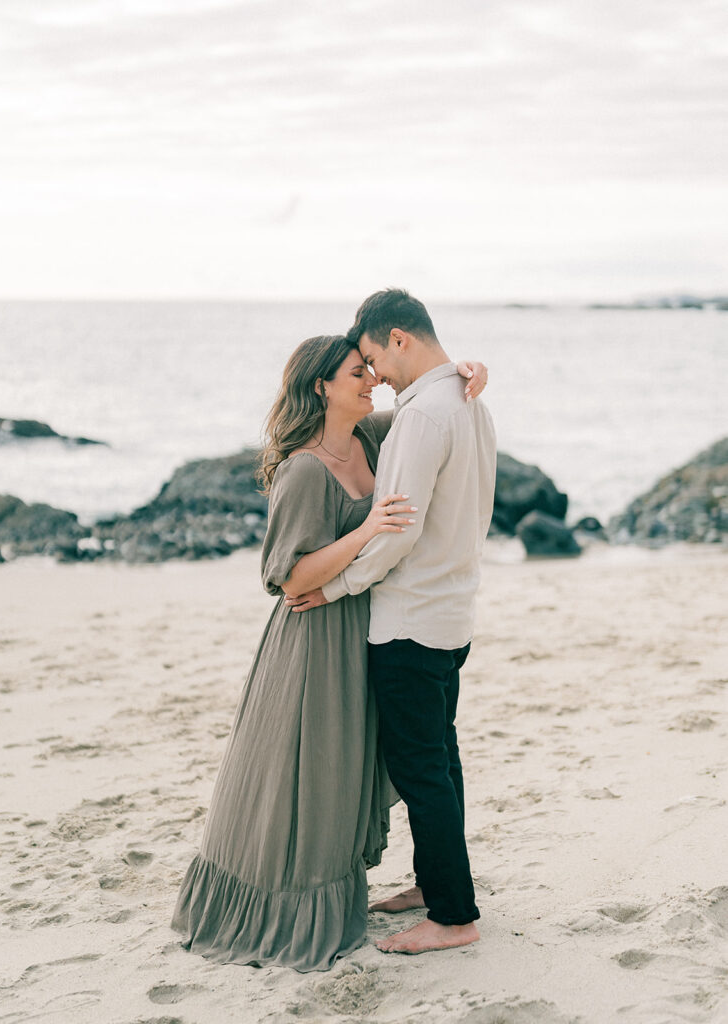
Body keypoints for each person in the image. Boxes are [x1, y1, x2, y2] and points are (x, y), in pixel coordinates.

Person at [170, 331, 488, 972]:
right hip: (314, 637)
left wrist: (465, 369)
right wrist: (369, 529)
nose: (371, 379)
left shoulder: (371, 438)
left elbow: (427, 407)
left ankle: (432, 885)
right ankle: (294, 908)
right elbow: (290, 578)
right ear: (321, 387)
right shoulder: (303, 469)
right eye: (355, 374)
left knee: (356, 766)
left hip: (362, 628)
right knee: (308, 771)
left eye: (369, 369)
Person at [286, 289, 496, 956]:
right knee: (440, 761)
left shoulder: (426, 415)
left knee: (422, 770)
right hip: (452, 612)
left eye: (374, 358)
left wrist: (339, 585)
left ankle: (453, 916)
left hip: (411, 621)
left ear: (399, 338)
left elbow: (397, 531)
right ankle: (438, 887)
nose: (375, 375)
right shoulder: (468, 401)